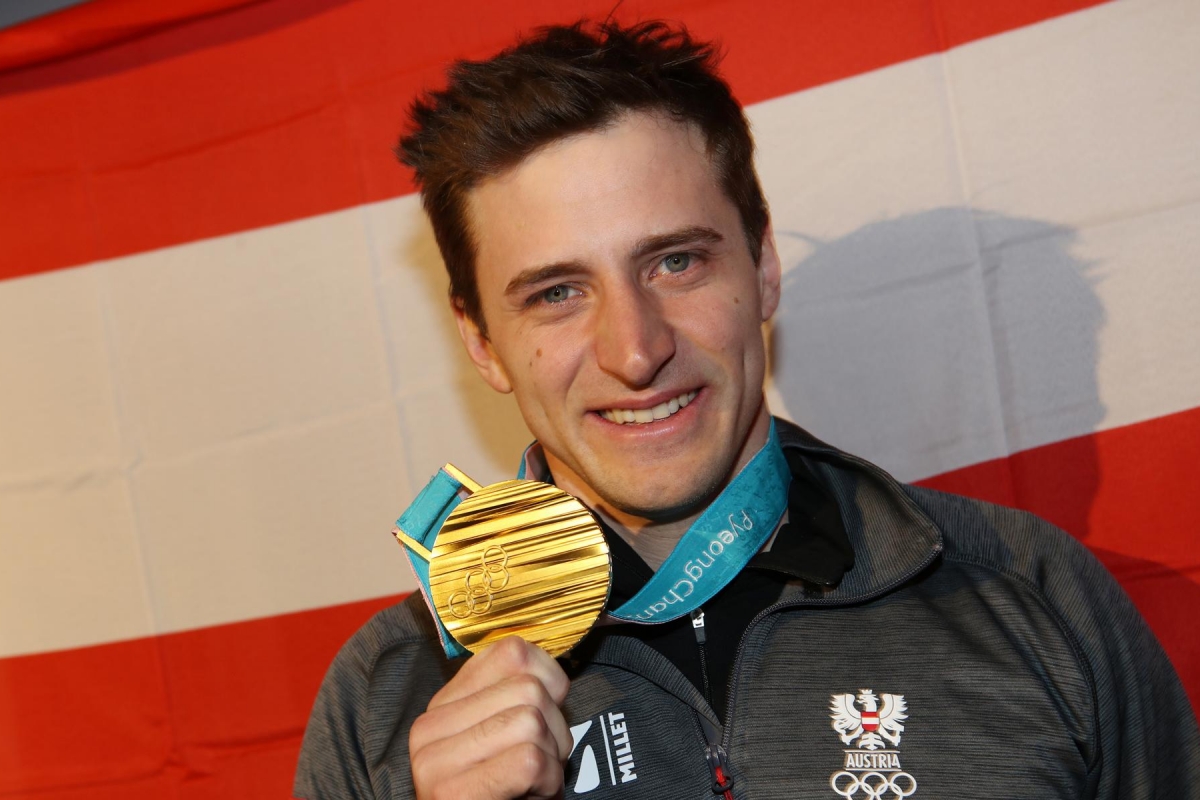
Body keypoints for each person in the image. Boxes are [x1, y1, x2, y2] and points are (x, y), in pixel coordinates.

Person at [294, 19, 1200, 800]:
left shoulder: (1029, 594)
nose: (636, 350)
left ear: (762, 267)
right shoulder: (388, 696)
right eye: (558, 293)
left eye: (676, 263)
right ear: (482, 341)